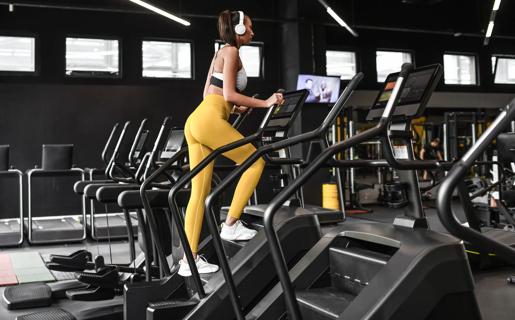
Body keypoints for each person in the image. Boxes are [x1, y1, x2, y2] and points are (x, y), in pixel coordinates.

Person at [178, 10, 285, 277]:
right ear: (237, 30)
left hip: (197, 119)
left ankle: (188, 261)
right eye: (249, 27)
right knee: (255, 161)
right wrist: (265, 102)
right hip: (208, 120)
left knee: (198, 194)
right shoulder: (233, 53)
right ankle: (232, 223)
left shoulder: (219, 53)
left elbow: (209, 94)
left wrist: (234, 110)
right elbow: (228, 93)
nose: (252, 32)